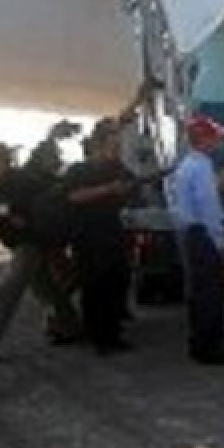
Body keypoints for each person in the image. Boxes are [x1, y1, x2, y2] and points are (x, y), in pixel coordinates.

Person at [0, 133, 82, 352]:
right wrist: (6, 212)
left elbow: (56, 197)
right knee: (46, 288)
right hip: (16, 241)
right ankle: (70, 327)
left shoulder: (25, 180)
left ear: (5, 160)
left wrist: (22, 216)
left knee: (8, 288)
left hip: (34, 240)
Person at [170, 114, 224, 365]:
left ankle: (200, 342)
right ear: (206, 140)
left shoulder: (186, 165)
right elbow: (209, 207)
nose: (221, 141)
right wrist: (221, 242)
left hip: (192, 233)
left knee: (200, 291)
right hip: (204, 235)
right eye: (217, 137)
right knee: (213, 292)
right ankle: (212, 346)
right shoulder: (202, 168)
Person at [64, 120, 136, 354]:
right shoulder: (79, 170)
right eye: (113, 146)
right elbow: (73, 196)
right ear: (98, 145)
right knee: (95, 287)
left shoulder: (118, 168)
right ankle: (99, 337)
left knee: (117, 282)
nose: (116, 151)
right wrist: (108, 190)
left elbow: (132, 184)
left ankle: (112, 332)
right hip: (88, 237)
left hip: (112, 233)